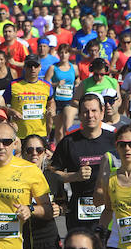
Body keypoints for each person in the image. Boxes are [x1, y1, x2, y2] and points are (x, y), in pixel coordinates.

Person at [49, 94, 115, 233]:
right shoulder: (69, 142)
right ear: (79, 114)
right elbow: (51, 173)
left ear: (102, 113)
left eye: (94, 111)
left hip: (110, 207)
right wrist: (75, 176)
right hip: (79, 210)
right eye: (85, 111)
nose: (90, 115)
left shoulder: (114, 141)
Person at [5, 54, 53, 139]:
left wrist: (51, 110)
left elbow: (51, 103)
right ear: (24, 67)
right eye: (29, 66)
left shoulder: (47, 86)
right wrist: (11, 111)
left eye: (35, 66)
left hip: (40, 133)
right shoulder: (13, 85)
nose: (33, 69)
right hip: (19, 134)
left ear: (40, 67)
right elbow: (2, 105)